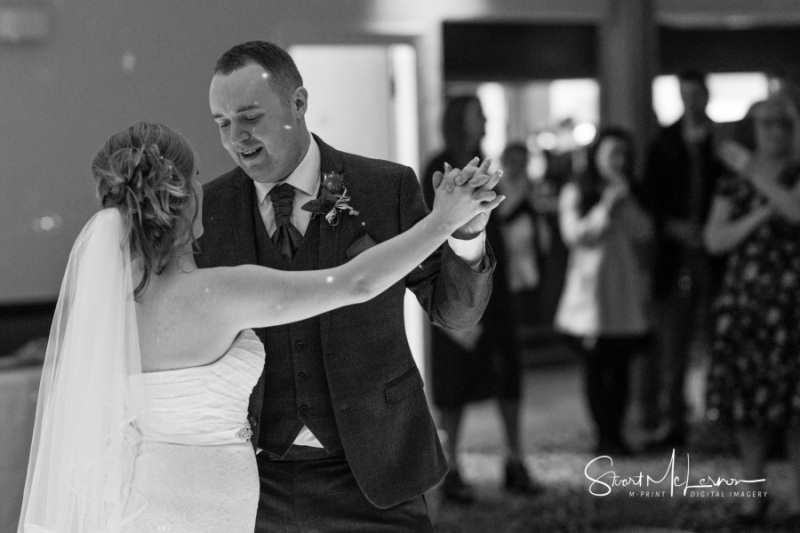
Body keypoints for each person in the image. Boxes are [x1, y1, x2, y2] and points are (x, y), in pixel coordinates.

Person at [16, 121, 501, 532]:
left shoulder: (111, 309)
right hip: (217, 506)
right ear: (184, 197)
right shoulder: (219, 293)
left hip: (144, 501)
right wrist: (443, 220)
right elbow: (356, 283)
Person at [198, 42, 502, 531]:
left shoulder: (385, 188)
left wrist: (465, 236)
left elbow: (455, 314)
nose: (237, 138)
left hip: (375, 469)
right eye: (222, 123)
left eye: (250, 117)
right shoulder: (208, 211)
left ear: (298, 102)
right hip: (255, 481)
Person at [421, 96, 540, 504]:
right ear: (459, 121)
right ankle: (450, 467)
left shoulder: (485, 161)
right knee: (454, 383)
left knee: (508, 373)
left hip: (496, 284)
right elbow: (431, 230)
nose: (486, 120)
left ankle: (515, 459)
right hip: (453, 288)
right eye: (479, 114)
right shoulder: (438, 166)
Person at [704, 93, 800, 524]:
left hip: (794, 304)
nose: (775, 131)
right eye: (766, 124)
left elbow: (796, 211)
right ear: (754, 130)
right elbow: (714, 239)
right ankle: (752, 492)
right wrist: (762, 214)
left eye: (783, 123)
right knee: (749, 407)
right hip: (747, 302)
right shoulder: (732, 181)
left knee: (796, 405)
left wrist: (755, 176)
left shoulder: (789, 172)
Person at [640, 70, 727, 448]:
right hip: (676, 255)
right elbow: (651, 199)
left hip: (715, 253)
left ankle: (717, 417)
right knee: (672, 341)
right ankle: (673, 421)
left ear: (706, 96)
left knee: (717, 338)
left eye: (697, 94)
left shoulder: (720, 144)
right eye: (685, 94)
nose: (691, 101)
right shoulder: (664, 143)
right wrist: (675, 228)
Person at [555, 127, 654, 456]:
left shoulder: (631, 191)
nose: (619, 161)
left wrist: (626, 202)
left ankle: (617, 433)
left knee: (622, 368)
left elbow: (645, 232)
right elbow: (575, 235)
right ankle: (602, 434)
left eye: (624, 155)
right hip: (591, 297)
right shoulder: (577, 191)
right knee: (596, 369)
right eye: (613, 153)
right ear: (596, 155)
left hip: (624, 294)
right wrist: (605, 208)